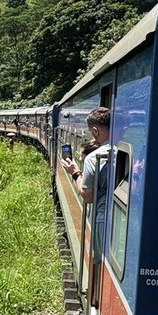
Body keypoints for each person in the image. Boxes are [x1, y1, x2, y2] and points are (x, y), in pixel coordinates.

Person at [60, 107, 111, 253]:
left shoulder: (94, 157)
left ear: (96, 130)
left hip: (103, 219)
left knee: (100, 261)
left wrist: (76, 173)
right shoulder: (122, 148)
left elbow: (88, 195)